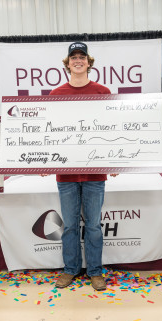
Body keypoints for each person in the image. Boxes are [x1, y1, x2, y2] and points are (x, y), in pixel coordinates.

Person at [49, 42, 113, 291]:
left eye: (82, 57)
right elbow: (49, 131)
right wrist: (44, 159)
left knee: (94, 225)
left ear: (88, 62)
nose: (78, 60)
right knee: (71, 225)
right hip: (65, 174)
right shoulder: (56, 94)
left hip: (96, 173)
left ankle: (95, 271)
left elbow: (111, 129)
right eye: (73, 57)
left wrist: (116, 159)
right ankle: (71, 269)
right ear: (67, 63)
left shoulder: (102, 92)